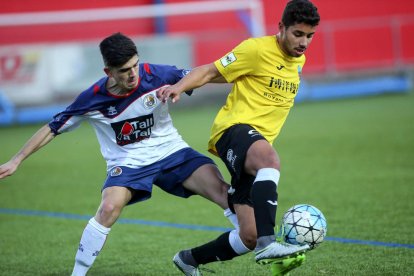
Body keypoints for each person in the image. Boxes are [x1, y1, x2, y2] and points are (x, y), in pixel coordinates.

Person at [0, 32, 240, 276]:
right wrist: (16, 159)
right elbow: (52, 128)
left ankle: (250, 238)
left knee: (222, 189)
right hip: (128, 163)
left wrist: (242, 74)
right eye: (125, 70)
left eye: (135, 65)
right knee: (108, 209)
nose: (133, 73)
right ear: (109, 72)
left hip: (172, 151)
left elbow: (204, 74)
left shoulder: (156, 74)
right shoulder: (92, 98)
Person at [157, 0, 321, 275]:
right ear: (281, 27)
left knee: (249, 235)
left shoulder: (298, 60)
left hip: (254, 145)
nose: (304, 42)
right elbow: (211, 71)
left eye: (310, 36)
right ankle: (270, 245)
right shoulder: (255, 49)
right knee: (269, 159)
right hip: (233, 131)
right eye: (298, 34)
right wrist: (179, 86)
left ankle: (189, 259)